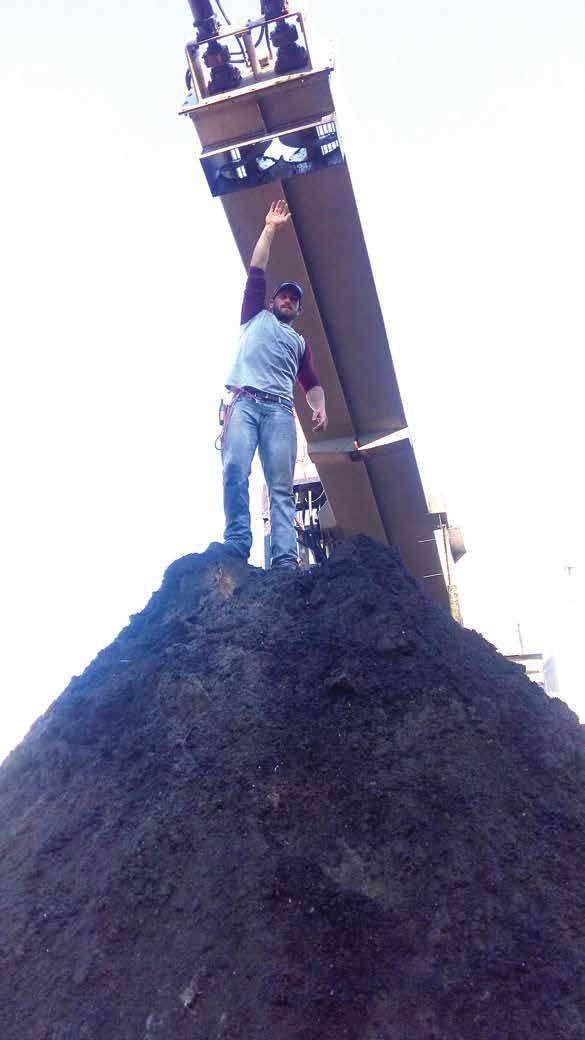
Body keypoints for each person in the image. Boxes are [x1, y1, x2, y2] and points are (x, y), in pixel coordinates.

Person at [221, 199, 327, 571]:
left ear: (299, 311)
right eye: (283, 295)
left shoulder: (299, 342)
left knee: (281, 487)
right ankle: (237, 543)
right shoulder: (254, 315)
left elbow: (311, 382)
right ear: (272, 301)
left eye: (294, 300)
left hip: (280, 412)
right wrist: (269, 228)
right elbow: (257, 268)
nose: (288, 300)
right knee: (235, 469)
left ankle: (284, 560)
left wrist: (319, 405)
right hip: (245, 403)